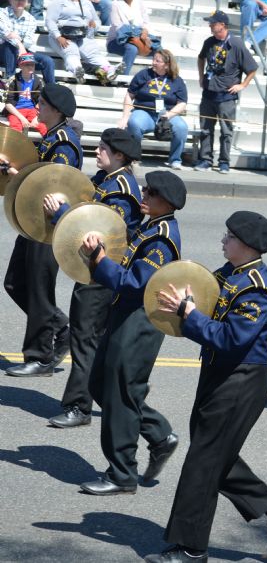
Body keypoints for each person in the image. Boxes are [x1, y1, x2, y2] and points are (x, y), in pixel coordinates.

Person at [145, 212, 267, 563]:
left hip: (241, 382)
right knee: (213, 456)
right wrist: (184, 298)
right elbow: (205, 297)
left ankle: (191, 549)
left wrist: (189, 314)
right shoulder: (230, 272)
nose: (223, 241)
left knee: (202, 463)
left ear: (247, 245)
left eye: (229, 237)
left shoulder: (257, 289)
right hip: (219, 375)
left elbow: (230, 339)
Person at [79, 171, 185, 496]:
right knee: (101, 385)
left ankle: (122, 474)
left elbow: (136, 283)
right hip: (123, 314)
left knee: (120, 393)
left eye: (150, 192)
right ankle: (158, 434)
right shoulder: (151, 225)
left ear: (166, 202)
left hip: (141, 321)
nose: (143, 194)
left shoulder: (162, 239)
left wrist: (99, 260)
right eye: (145, 189)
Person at [43, 129, 142, 428]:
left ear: (119, 155)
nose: (97, 152)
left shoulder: (121, 190)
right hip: (93, 269)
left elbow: (99, 233)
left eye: (102, 148)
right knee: (92, 340)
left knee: (85, 338)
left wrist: (62, 213)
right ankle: (114, 399)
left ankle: (79, 406)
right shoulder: (105, 179)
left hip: (103, 273)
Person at [3, 84, 82, 379]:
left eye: (44, 104)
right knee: (15, 283)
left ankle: (40, 357)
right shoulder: (51, 137)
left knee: (38, 289)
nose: (38, 107)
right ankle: (61, 328)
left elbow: (54, 189)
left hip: (49, 228)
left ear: (57, 110)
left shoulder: (64, 144)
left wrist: (16, 175)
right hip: (33, 222)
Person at [197, 10, 259, 174]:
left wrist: (242, 85)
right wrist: (201, 77)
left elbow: (252, 68)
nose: (210, 26)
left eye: (213, 23)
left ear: (222, 25)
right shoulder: (209, 42)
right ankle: (205, 160)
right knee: (205, 129)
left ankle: (224, 162)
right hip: (209, 92)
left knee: (226, 131)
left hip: (226, 95)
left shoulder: (236, 43)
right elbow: (201, 58)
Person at [46, 0, 122, 85]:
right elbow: (50, 21)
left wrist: (94, 25)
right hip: (63, 36)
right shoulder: (58, 1)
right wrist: (58, 37)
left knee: (93, 53)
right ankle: (77, 70)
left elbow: (96, 20)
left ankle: (110, 69)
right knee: (71, 52)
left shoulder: (86, 2)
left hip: (82, 34)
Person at [119, 49, 189, 171]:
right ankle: (134, 157)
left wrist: (169, 115)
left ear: (166, 65)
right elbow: (129, 95)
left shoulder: (176, 80)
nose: (153, 63)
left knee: (181, 127)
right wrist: (125, 117)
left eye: (157, 61)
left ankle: (175, 160)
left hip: (167, 115)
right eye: (153, 59)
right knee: (134, 122)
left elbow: (182, 103)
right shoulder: (143, 74)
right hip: (145, 112)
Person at [0, 0, 56, 83]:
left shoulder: (31, 19)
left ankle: (51, 88)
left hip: (22, 54)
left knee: (47, 61)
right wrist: (20, 44)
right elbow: (5, 33)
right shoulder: (2, 13)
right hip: (2, 53)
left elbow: (28, 41)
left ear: (26, 1)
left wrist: (16, 41)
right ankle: (10, 81)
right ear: (10, 0)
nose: (20, 1)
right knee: (9, 45)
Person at [106, 0, 156, 75]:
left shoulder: (139, 3)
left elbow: (146, 21)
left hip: (140, 38)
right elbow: (119, 27)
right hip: (117, 41)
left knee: (158, 49)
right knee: (132, 49)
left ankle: (156, 77)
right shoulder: (115, 5)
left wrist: (145, 31)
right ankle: (123, 78)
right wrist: (138, 36)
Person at [4, 54, 47, 136]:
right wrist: (22, 118)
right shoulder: (13, 80)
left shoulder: (38, 81)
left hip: (33, 110)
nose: (30, 67)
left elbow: (42, 101)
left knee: (44, 126)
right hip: (16, 110)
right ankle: (16, 144)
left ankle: (48, 143)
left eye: (32, 64)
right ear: (20, 66)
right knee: (15, 128)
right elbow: (8, 104)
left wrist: (37, 117)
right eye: (27, 64)